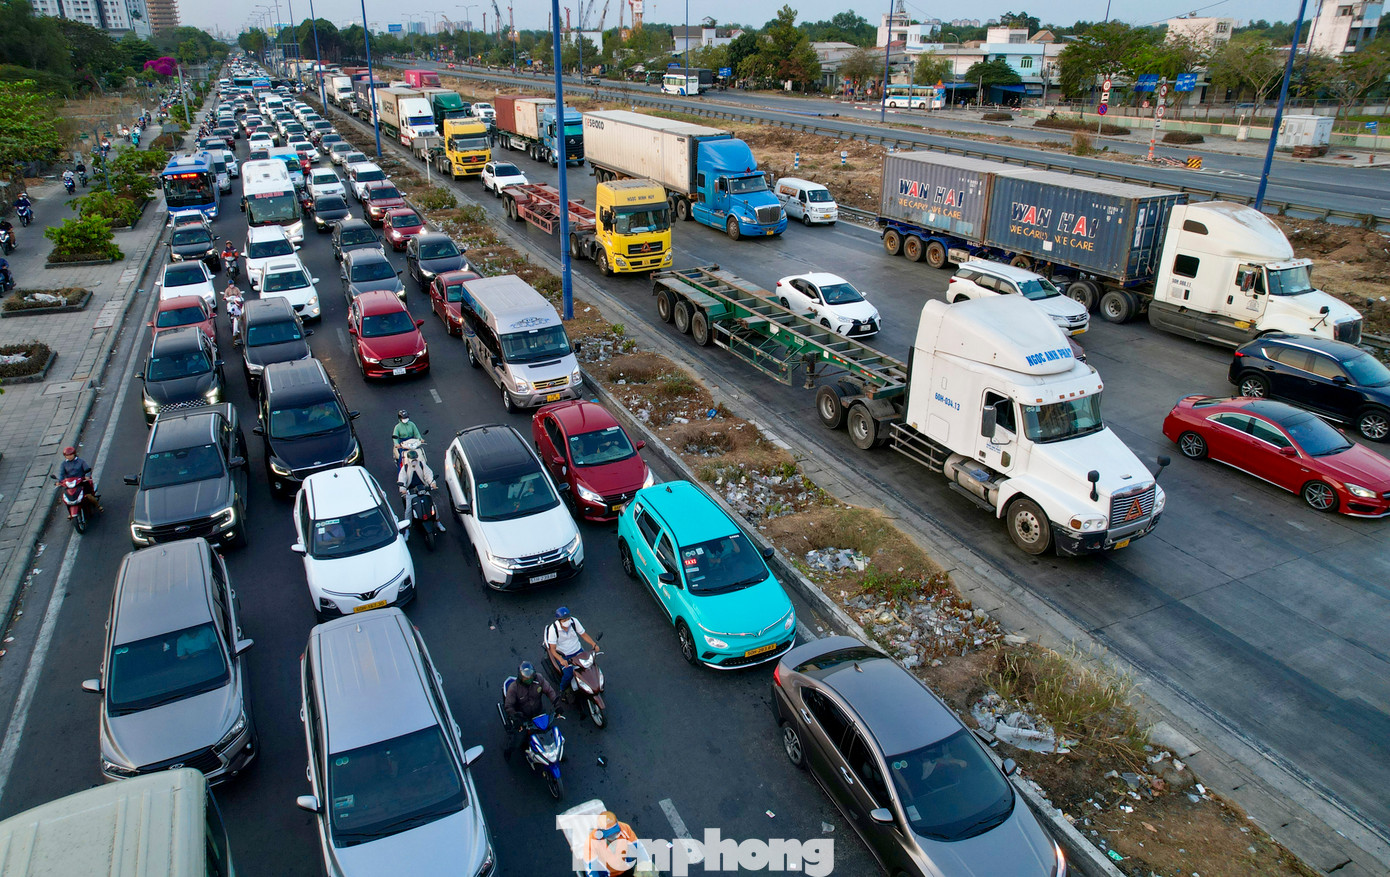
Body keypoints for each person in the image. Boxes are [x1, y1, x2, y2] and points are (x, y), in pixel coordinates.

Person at [502, 661, 558, 761]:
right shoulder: (514, 688)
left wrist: (556, 704)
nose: (528, 680)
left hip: (539, 713)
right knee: (518, 740)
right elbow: (508, 706)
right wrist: (515, 716)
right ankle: (508, 751)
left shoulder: (539, 679)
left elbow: (549, 691)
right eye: (525, 678)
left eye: (530, 677)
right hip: (523, 718)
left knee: (551, 733)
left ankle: (555, 753)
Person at [545, 607, 598, 692]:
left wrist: (593, 644)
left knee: (590, 667)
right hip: (564, 655)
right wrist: (561, 659)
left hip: (578, 650)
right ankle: (562, 689)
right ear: (559, 620)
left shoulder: (574, 621)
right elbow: (553, 650)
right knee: (568, 674)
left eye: (568, 618)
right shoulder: (553, 629)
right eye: (564, 620)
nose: (567, 621)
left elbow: (583, 635)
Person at [397, 449, 445, 532]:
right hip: (411, 491)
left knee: (433, 505)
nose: (414, 461)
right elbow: (402, 479)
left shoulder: (422, 465)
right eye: (412, 459)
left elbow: (428, 474)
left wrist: (432, 483)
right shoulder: (405, 468)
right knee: (408, 510)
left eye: (415, 459)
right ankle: (407, 530)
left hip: (423, 489)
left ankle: (438, 522)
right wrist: (403, 489)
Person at [585, 810, 642, 876]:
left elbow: (638, 847)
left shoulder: (624, 829)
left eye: (615, 833)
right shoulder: (592, 843)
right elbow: (591, 869)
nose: (614, 837)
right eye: (610, 835)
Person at [58, 446, 101, 511]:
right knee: (66, 497)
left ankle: (98, 505)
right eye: (67, 455)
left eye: (70, 455)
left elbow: (87, 470)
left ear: (74, 454)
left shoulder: (81, 461)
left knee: (88, 495)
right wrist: (59, 481)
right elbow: (61, 474)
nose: (69, 456)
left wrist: (87, 476)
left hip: (82, 481)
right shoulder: (63, 464)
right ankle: (70, 512)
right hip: (71, 483)